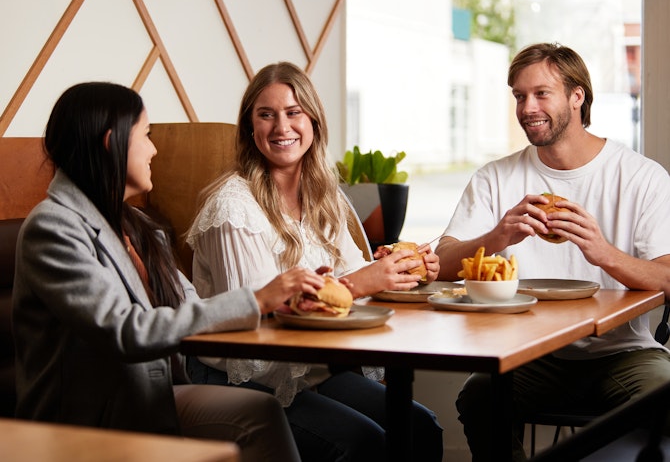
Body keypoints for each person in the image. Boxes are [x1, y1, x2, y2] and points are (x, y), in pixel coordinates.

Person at [11, 81, 338, 462]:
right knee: (267, 413)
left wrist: (277, 307)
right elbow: (123, 330)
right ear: (110, 142)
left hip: (149, 394)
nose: (154, 149)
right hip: (86, 416)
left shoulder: (136, 224)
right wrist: (256, 298)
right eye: (145, 136)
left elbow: (189, 304)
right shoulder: (52, 228)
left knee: (263, 409)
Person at [186, 61, 444, 461]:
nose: (281, 127)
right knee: (364, 445)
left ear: (314, 122)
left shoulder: (327, 197)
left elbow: (356, 280)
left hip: (307, 370)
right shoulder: (233, 207)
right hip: (241, 376)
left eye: (293, 113)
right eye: (266, 115)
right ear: (249, 128)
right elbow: (254, 320)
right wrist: (359, 284)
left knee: (421, 427)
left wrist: (402, 270)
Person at [435, 42, 670, 461]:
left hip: (623, 353)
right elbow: (440, 266)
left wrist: (602, 253)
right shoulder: (495, 178)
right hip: (528, 354)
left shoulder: (641, 177)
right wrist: (498, 236)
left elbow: (667, 279)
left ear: (576, 96)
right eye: (519, 96)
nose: (528, 108)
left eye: (541, 93)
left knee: (662, 399)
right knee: (479, 397)